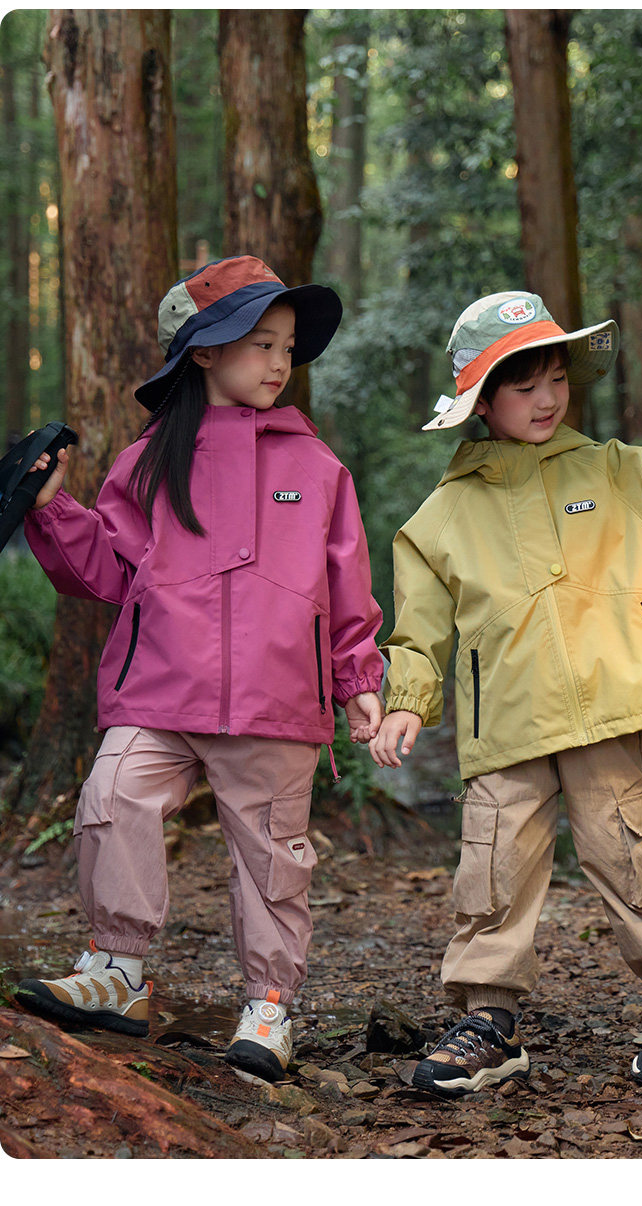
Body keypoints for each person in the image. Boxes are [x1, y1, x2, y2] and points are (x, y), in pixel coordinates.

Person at [370, 289, 642, 1097]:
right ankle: (488, 1020)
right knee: (493, 866)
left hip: (608, 705)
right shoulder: (439, 519)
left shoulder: (617, 472)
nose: (547, 398)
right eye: (524, 386)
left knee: (633, 853)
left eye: (556, 378)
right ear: (482, 402)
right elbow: (419, 629)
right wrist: (408, 697)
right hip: (505, 722)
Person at [17, 255, 383, 1083]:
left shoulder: (317, 467)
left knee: (272, 857)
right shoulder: (149, 461)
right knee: (113, 798)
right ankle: (117, 971)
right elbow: (107, 570)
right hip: (160, 687)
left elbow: (347, 582)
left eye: (287, 346)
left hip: (276, 695)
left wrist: (358, 681)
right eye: (261, 343)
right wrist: (50, 508)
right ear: (206, 352)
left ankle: (269, 1006)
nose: (280, 362)